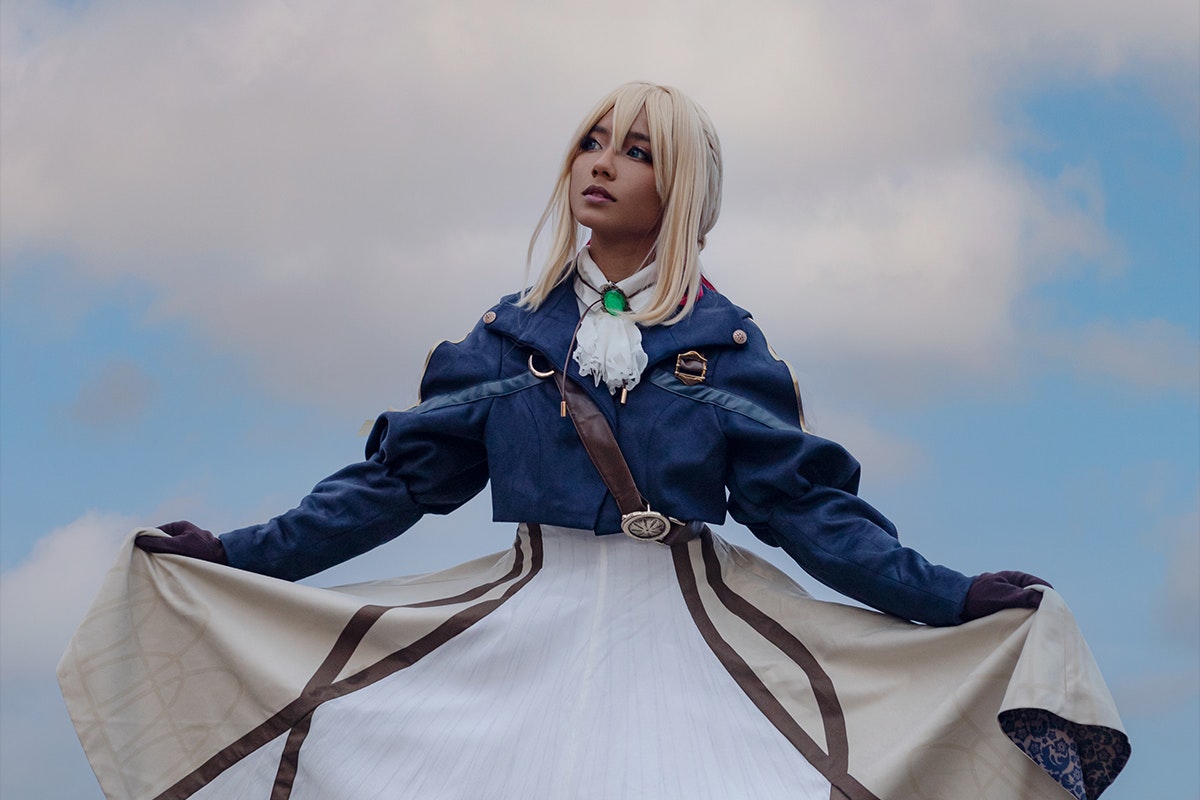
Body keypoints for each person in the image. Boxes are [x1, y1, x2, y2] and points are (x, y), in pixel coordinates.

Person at [65, 81, 1129, 800]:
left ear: (683, 190)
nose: (602, 163)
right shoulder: (504, 338)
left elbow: (811, 514)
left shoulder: (729, 348)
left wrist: (950, 594)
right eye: (591, 140)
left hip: (701, 654)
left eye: (637, 150)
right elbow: (392, 485)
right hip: (512, 641)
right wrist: (237, 557)